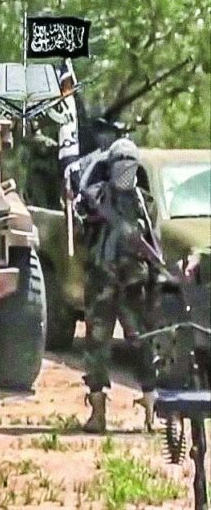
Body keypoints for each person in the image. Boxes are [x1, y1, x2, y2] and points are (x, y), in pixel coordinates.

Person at [75, 136, 160, 433]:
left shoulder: (144, 203)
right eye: (118, 163)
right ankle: (98, 414)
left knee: (142, 345)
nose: (124, 168)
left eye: (129, 163)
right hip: (101, 284)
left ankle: (151, 411)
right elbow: (81, 214)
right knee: (96, 348)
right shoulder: (96, 196)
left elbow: (153, 242)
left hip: (134, 286)